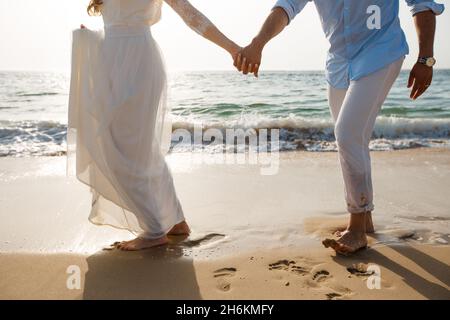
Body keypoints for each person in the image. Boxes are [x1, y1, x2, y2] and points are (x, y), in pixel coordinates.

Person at [234, 0, 445, 255]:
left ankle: (356, 227)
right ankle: (365, 219)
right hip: (339, 63)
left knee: (347, 134)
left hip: (382, 52)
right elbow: (286, 7)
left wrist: (426, 59)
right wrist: (258, 44)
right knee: (354, 140)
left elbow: (421, 5)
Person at [68, 0, 240, 251]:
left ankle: (153, 230)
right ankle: (176, 221)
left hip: (138, 61)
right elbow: (116, 21)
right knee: (139, 148)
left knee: (126, 150)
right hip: (109, 61)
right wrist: (92, 39)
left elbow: (191, 16)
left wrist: (232, 48)